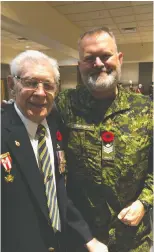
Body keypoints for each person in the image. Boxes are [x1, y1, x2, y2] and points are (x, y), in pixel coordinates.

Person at [55, 27, 153, 252]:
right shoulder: (64, 105)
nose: (98, 63)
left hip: (132, 238)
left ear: (119, 59)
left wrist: (144, 202)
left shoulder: (146, 109)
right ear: (80, 66)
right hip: (82, 237)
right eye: (89, 58)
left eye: (105, 56)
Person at [1, 50, 108, 252]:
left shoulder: (56, 123)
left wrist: (88, 238)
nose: (41, 92)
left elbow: (57, 190)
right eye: (31, 83)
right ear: (12, 84)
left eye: (48, 85)